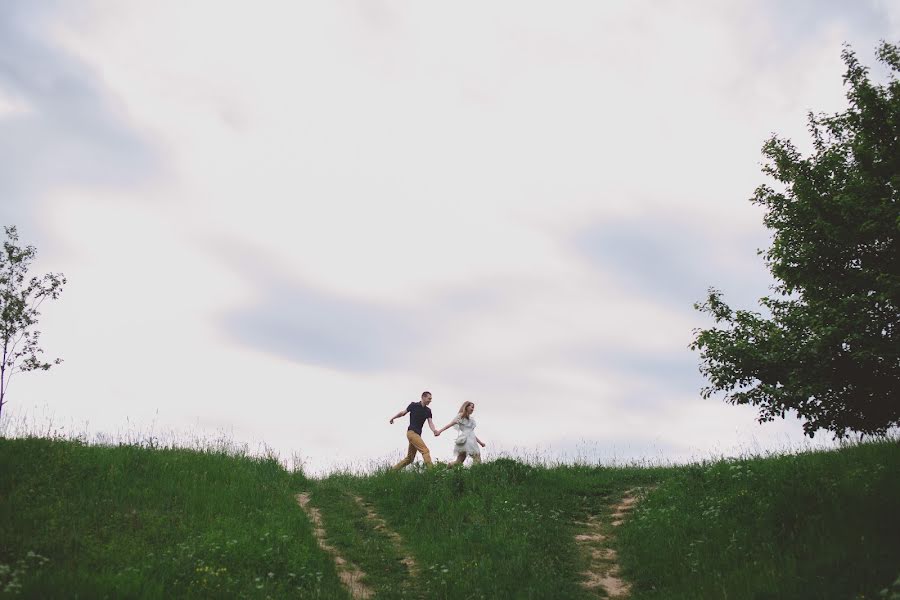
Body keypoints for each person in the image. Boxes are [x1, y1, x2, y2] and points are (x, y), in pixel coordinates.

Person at [389, 391, 439, 470]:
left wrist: (434, 430)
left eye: (431, 399)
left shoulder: (428, 411)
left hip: (417, 435)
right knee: (425, 451)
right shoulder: (413, 405)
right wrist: (393, 418)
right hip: (411, 433)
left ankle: (391, 471)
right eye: (429, 398)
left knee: (410, 458)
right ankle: (432, 471)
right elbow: (402, 413)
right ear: (423, 397)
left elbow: (430, 422)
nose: (430, 400)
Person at [436, 401, 486, 465]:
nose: (473, 409)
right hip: (466, 440)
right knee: (477, 457)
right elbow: (450, 425)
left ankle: (446, 468)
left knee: (459, 461)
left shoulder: (471, 420)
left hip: (470, 440)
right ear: (466, 407)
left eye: (473, 408)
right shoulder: (460, 416)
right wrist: (439, 431)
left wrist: (480, 443)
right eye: (472, 407)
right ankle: (477, 472)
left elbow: (472, 434)